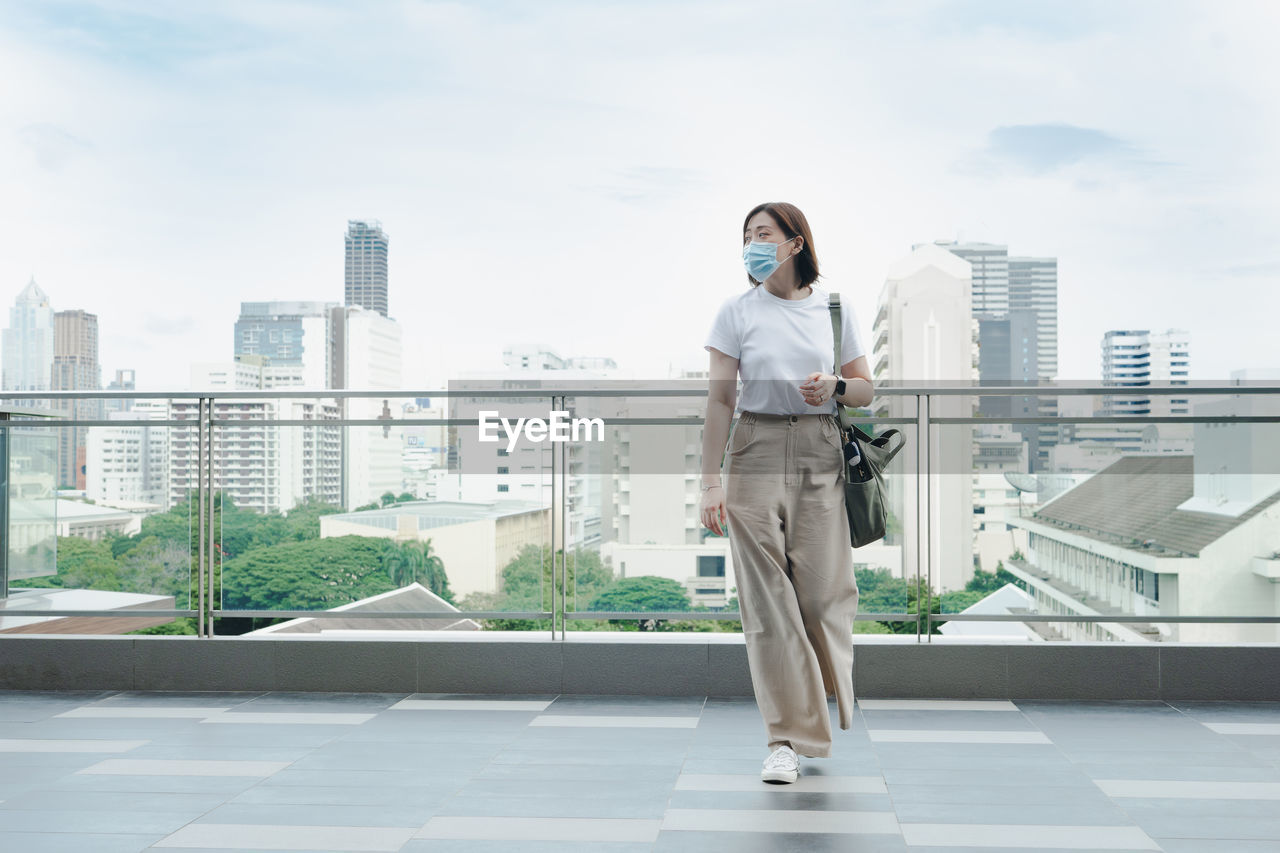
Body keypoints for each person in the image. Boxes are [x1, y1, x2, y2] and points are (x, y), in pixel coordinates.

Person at [700, 201, 873, 784]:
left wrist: (836, 385)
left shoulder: (834, 308)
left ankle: (813, 697)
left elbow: (866, 391)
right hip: (754, 450)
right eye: (747, 234)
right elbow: (721, 401)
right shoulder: (735, 312)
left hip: (821, 451)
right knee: (769, 604)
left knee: (825, 598)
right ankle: (786, 739)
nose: (753, 241)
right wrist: (709, 482)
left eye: (764, 232)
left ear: (796, 243)